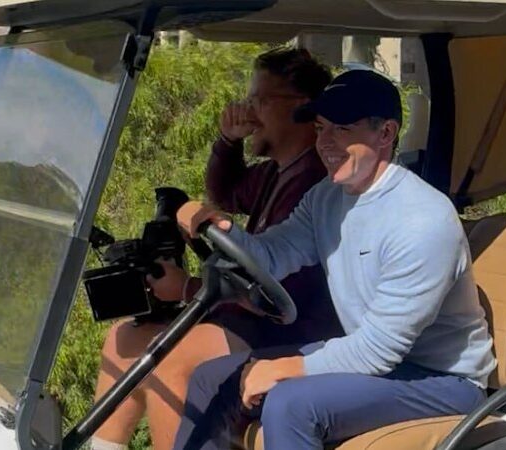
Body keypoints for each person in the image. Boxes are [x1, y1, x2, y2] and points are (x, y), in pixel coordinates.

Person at [172, 70, 497, 449]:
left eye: (341, 129)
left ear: (386, 134)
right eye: (321, 127)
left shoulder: (422, 221)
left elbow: (379, 350)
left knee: (291, 404)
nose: (324, 142)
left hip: (445, 380)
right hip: (381, 359)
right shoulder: (325, 197)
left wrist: (283, 369)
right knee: (212, 379)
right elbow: (272, 255)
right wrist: (218, 226)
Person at [90, 48, 343, 450]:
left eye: (259, 100)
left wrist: (189, 290)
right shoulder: (275, 173)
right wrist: (228, 141)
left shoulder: (317, 182)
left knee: (171, 361)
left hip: (295, 330)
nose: (246, 112)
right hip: (251, 321)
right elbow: (224, 192)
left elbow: (282, 293)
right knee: (121, 341)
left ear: (302, 110)